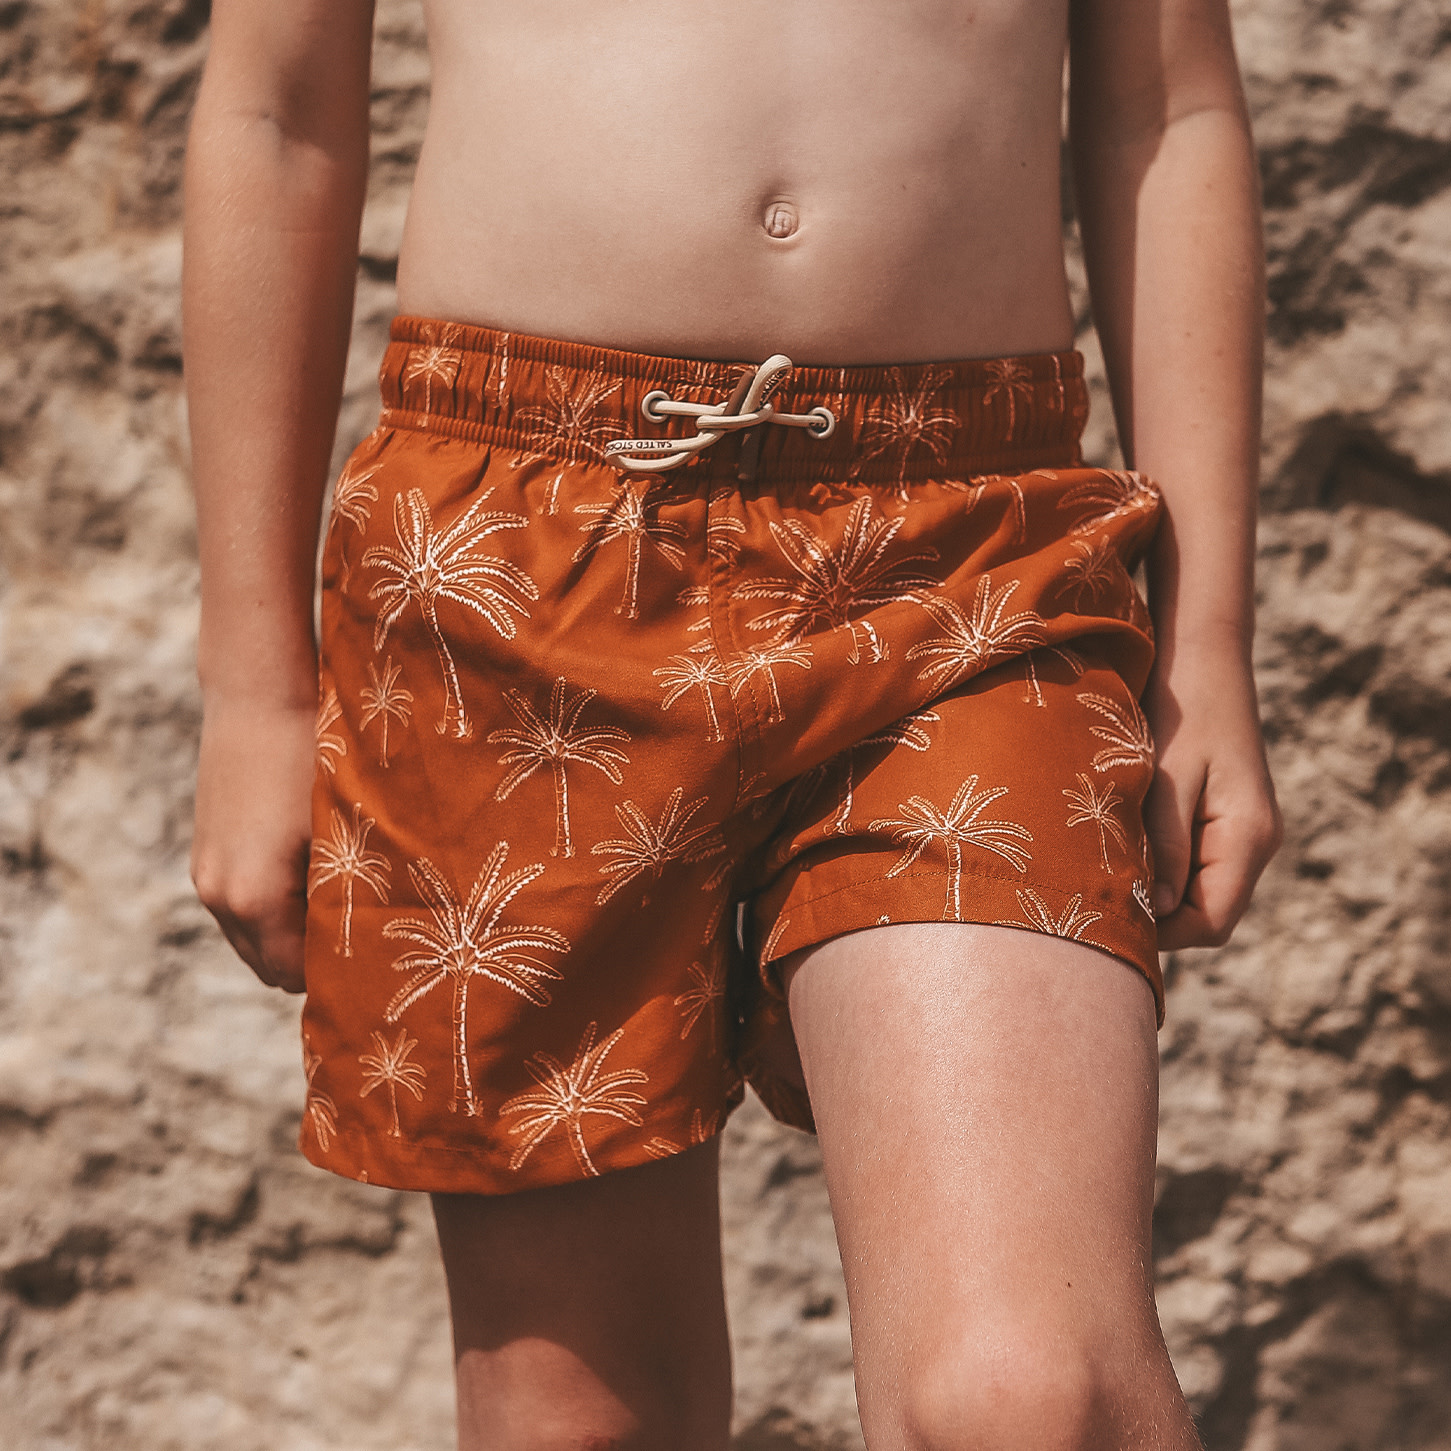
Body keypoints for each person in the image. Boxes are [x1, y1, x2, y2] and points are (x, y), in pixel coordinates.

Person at [183, 0, 1282, 1445]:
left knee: (1032, 1398)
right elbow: (276, 113)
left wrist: (1208, 645)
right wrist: (254, 692)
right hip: (515, 557)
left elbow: (1169, 113)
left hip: (973, 554)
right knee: (579, 1424)